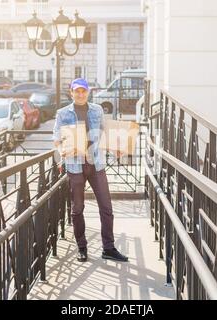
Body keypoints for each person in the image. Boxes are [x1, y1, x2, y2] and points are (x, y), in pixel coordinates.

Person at [53, 78, 128, 263]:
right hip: (74, 166)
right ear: (71, 92)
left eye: (83, 91)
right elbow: (56, 139)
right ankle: (82, 248)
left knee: (106, 207)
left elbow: (104, 134)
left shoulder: (97, 109)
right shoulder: (62, 113)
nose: (80, 94)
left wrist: (115, 148)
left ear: (88, 92)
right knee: (77, 209)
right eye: (76, 91)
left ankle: (108, 248)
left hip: (96, 164)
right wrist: (61, 150)